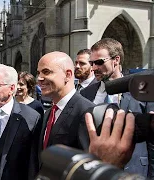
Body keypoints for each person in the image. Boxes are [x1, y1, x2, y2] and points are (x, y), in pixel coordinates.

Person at [80, 38, 149, 176]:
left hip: (135, 170)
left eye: (99, 62)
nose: (93, 68)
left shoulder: (141, 89)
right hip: (97, 170)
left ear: (116, 60)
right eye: (92, 63)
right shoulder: (85, 94)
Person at [31, 51, 95, 178]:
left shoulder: (86, 112)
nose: (39, 78)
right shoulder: (49, 113)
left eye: (46, 72)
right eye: (39, 73)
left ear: (67, 75)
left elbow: (86, 167)